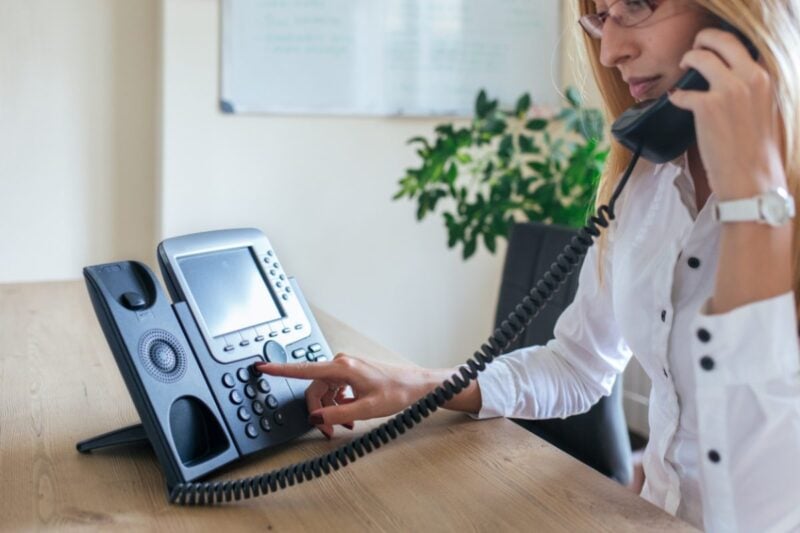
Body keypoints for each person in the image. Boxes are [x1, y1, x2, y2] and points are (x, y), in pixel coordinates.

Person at [256, 1, 800, 530]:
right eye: (601, 16)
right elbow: (578, 366)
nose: (609, 50)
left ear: (744, 17)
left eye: (637, 4)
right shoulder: (649, 182)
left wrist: (755, 203)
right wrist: (416, 385)